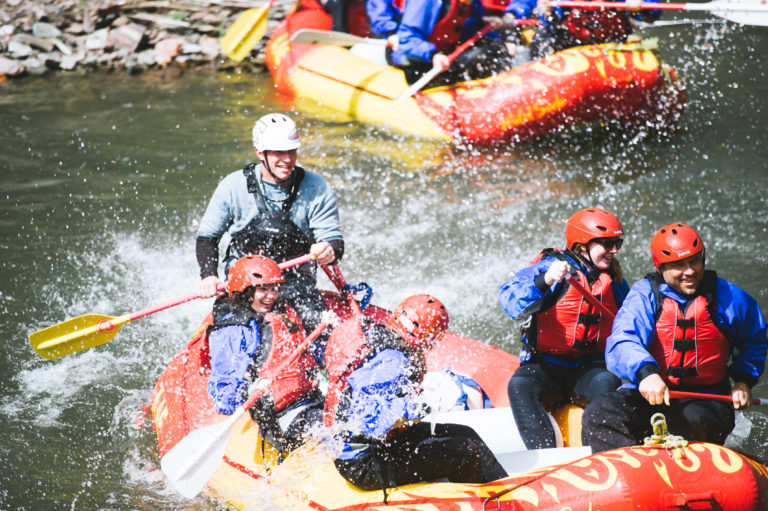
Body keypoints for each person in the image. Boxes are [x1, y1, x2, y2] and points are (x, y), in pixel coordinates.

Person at [582, 223, 768, 452]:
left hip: (706, 400)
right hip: (650, 395)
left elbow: (756, 340)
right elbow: (622, 339)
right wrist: (646, 374)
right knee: (600, 410)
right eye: (679, 265)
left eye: (694, 261)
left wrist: (743, 380)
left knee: (690, 420)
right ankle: (627, 471)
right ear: (661, 268)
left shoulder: (731, 297)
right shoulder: (645, 294)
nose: (689, 271)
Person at [323, 294, 506, 500]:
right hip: (363, 463)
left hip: (372, 446)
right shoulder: (394, 361)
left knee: (466, 433)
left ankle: (504, 489)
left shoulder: (384, 342)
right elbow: (367, 422)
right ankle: (485, 502)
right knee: (464, 451)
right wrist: (418, 408)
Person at [196, 113, 344, 361]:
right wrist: (208, 275)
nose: (287, 160)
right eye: (278, 153)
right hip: (245, 289)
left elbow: (335, 243)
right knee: (237, 346)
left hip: (297, 287)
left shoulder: (317, 188)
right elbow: (207, 238)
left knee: (323, 346)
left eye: (292, 151)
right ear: (259, 152)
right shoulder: (233, 186)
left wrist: (328, 250)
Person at [498, 207, 629, 449]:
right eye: (607, 244)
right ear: (582, 245)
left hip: (590, 368)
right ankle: (542, 458)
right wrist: (544, 280)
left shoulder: (614, 279)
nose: (614, 250)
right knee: (520, 385)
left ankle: (602, 454)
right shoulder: (551, 266)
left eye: (617, 243)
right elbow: (510, 302)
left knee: (606, 383)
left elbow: (631, 321)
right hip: (546, 367)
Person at [207, 254, 324, 453]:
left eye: (274, 289)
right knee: (332, 426)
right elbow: (225, 398)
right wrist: (249, 390)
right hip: (281, 417)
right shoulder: (233, 331)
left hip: (312, 399)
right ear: (245, 290)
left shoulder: (281, 313)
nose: (270, 296)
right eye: (263, 289)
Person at [388, 0, 523, 86]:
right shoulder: (426, 2)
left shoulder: (472, 3)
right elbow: (407, 39)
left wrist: (481, 23)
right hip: (418, 62)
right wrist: (433, 55)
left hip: (445, 60)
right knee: (489, 51)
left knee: (496, 48)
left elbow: (459, 30)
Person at [504, 0, 660, 59]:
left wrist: (639, 5)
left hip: (610, 45)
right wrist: (512, 13)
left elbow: (653, 12)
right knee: (542, 36)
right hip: (568, 44)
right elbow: (523, 3)